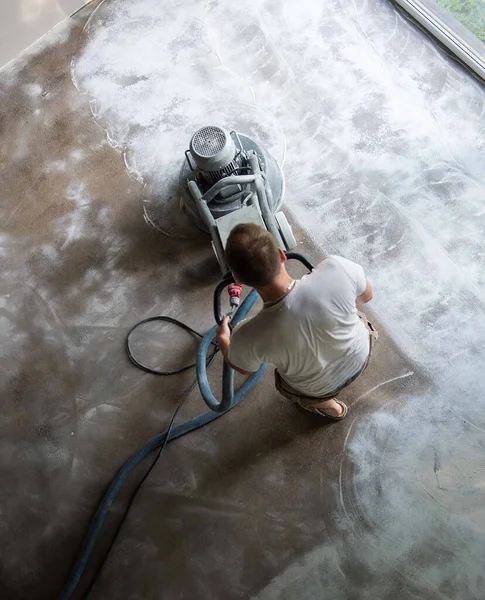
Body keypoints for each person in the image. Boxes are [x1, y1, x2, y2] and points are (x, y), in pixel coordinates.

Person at [215, 223, 377, 420]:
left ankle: (330, 407)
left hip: (318, 389)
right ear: (282, 255)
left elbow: (243, 367)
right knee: (357, 316)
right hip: (362, 354)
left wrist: (224, 339)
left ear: (238, 280)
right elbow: (366, 296)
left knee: (285, 383)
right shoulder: (337, 268)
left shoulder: (247, 336)